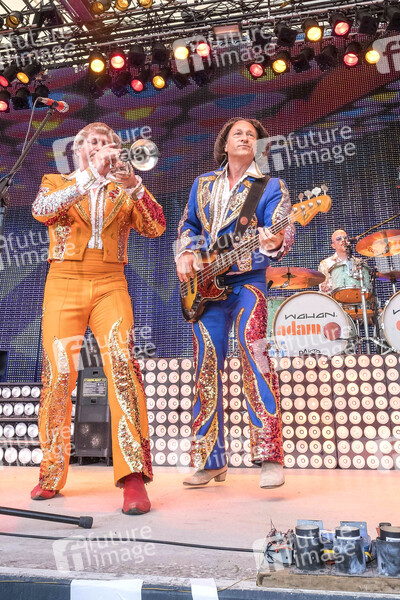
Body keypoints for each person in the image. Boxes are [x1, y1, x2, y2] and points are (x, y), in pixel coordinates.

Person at [31, 122, 166, 515]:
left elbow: (156, 227)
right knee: (58, 375)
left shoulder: (123, 188)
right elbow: (42, 211)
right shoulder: (56, 181)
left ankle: (133, 476)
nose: (101, 146)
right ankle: (51, 472)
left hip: (111, 282)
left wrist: (134, 185)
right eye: (93, 141)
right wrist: (91, 173)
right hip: (63, 281)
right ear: (78, 149)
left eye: (108, 142)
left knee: (124, 369)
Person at [175, 118, 295, 489]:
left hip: (248, 283)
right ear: (224, 143)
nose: (244, 137)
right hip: (204, 286)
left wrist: (276, 241)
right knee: (204, 366)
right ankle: (210, 461)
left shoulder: (270, 186)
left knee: (255, 356)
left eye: (252, 135)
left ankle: (269, 456)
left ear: (259, 147)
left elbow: (284, 227)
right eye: (237, 133)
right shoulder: (202, 184)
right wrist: (186, 253)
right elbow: (188, 226)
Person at [318, 229, 352, 294]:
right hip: (334, 299)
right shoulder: (325, 264)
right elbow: (323, 289)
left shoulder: (357, 262)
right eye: (339, 239)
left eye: (345, 238)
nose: (343, 240)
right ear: (333, 246)